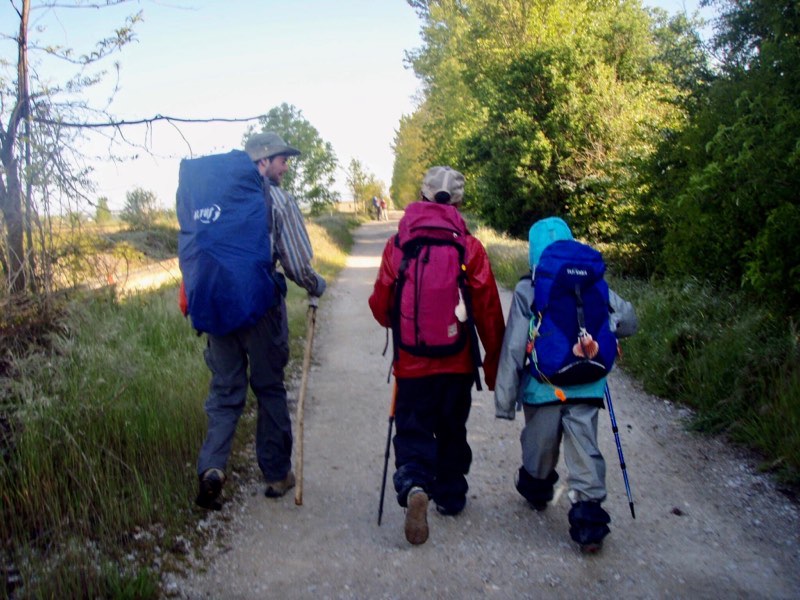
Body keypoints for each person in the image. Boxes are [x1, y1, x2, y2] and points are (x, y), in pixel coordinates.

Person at [368, 166, 505, 545]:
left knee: (412, 427)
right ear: (458, 201)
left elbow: (381, 305)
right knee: (452, 427)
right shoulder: (469, 247)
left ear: (423, 195)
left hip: (411, 365)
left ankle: (414, 484)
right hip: (457, 362)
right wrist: (493, 362)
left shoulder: (399, 244)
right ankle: (450, 494)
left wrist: (400, 324)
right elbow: (488, 309)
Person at [194, 131, 327, 510]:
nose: (286, 167)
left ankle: (212, 468)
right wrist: (316, 284)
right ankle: (276, 476)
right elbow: (298, 263)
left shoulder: (212, 199)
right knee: (269, 389)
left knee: (224, 392)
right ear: (263, 162)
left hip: (218, 306)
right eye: (282, 159)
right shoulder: (277, 199)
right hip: (261, 307)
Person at [493, 216, 638, 553]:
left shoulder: (529, 287)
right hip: (587, 384)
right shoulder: (594, 283)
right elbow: (628, 320)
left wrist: (505, 401)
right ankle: (589, 521)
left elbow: (515, 347)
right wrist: (608, 327)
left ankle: (536, 488)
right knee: (585, 447)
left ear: (533, 251)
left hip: (542, 388)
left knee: (539, 446)